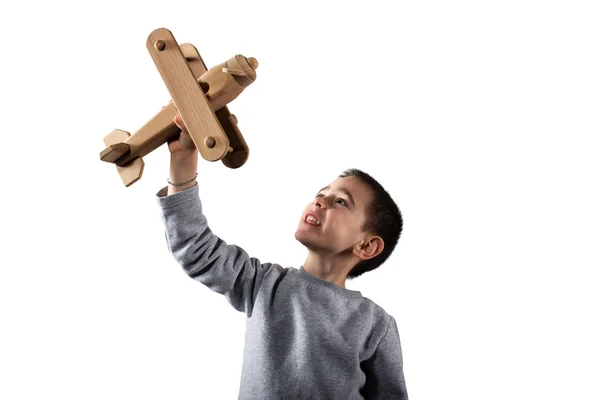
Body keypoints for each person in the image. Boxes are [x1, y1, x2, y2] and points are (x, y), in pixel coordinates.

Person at [154, 113, 409, 399]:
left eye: (340, 201)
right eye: (321, 193)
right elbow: (196, 249)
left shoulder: (375, 323)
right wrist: (182, 159)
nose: (319, 200)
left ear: (367, 246)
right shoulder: (263, 284)